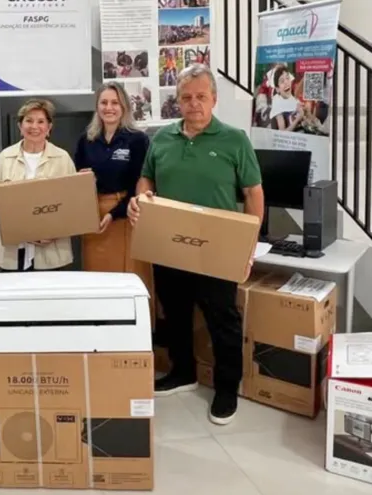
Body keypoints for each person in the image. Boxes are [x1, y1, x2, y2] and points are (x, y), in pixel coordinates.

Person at [128, 64, 264, 426]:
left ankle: (226, 388)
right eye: (186, 98)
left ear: (214, 99)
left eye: (201, 97)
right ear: (177, 102)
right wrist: (140, 199)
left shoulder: (235, 140)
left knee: (223, 319)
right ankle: (183, 371)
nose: (194, 104)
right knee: (174, 312)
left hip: (216, 248)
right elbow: (147, 179)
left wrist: (248, 244)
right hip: (169, 245)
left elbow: (253, 193)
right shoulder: (162, 139)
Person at [73, 82, 155, 323]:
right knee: (97, 281)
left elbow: (140, 185)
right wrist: (82, 179)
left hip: (127, 215)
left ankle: (135, 332)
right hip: (93, 217)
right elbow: (76, 181)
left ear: (124, 107)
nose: (109, 108)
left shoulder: (137, 140)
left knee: (130, 278)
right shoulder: (85, 140)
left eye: (114, 103)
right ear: (97, 107)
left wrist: (114, 213)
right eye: (104, 102)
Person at [0, 99, 76, 272]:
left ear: (49, 128)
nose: (34, 126)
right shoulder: (4, 158)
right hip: (13, 253)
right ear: (20, 126)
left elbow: (72, 208)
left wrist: (55, 234)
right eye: (29, 120)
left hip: (52, 254)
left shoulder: (63, 159)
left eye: (41, 121)